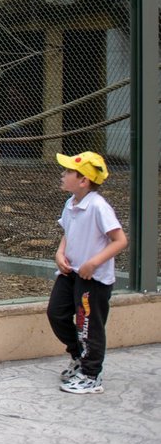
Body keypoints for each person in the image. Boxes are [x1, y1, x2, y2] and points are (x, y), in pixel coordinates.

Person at [47, 151, 127, 395]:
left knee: (88, 327)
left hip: (93, 280)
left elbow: (120, 240)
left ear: (84, 180)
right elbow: (68, 232)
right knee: (56, 313)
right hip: (70, 273)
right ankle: (78, 357)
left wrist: (93, 263)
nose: (63, 174)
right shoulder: (71, 203)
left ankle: (91, 375)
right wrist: (60, 253)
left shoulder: (98, 206)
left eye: (68, 171)